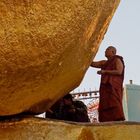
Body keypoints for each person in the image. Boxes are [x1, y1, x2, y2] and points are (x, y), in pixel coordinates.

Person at [90, 46, 125, 122]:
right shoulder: (104, 62)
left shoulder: (117, 59)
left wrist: (105, 71)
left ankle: (118, 118)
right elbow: (92, 64)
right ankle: (105, 120)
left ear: (113, 52)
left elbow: (119, 71)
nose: (105, 51)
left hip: (113, 86)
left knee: (114, 101)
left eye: (107, 50)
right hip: (105, 86)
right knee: (104, 102)